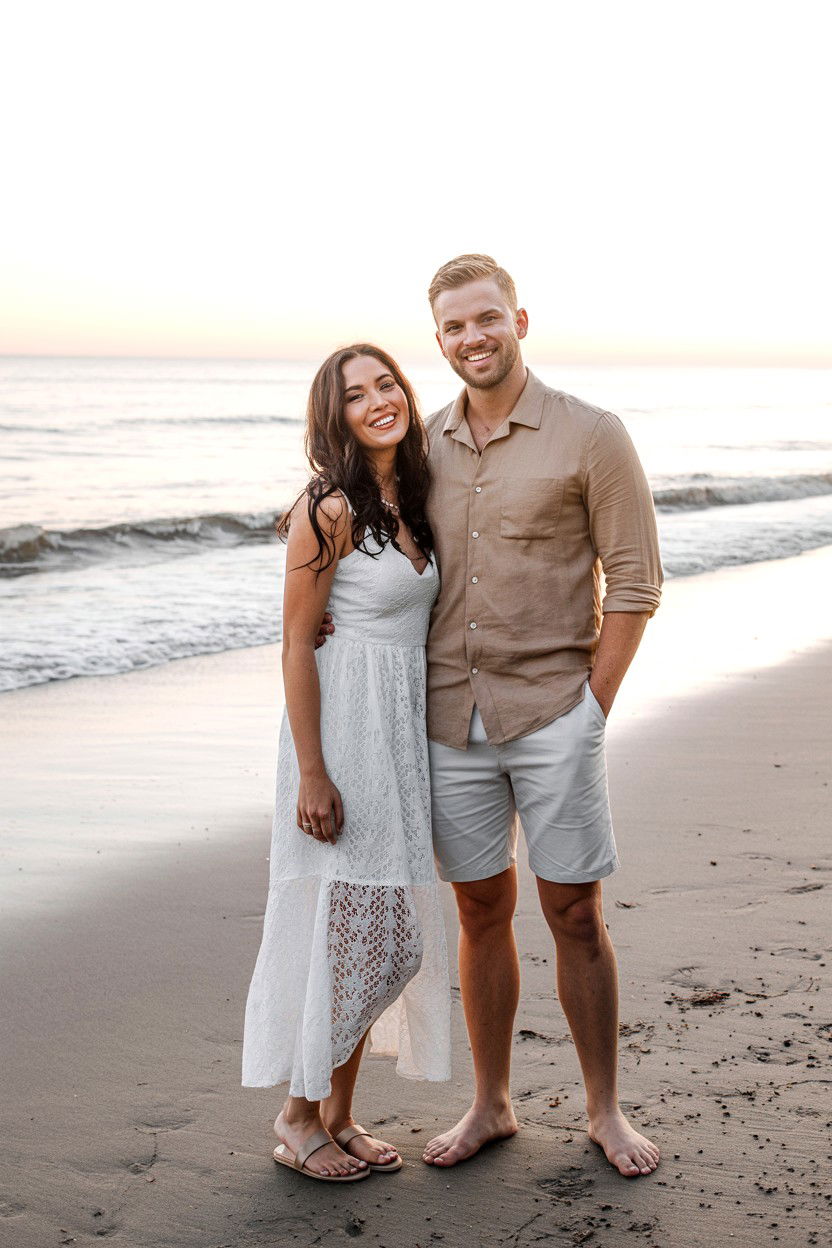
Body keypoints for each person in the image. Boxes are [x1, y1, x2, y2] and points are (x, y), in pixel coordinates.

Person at [319, 255, 663, 1178]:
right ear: (439, 341)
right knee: (479, 911)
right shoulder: (421, 444)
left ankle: (603, 1111)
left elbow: (636, 583)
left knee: (575, 914)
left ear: (519, 318)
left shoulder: (593, 435)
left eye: (486, 319)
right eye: (453, 328)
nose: (472, 338)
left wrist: (592, 710)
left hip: (555, 711)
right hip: (446, 721)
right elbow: (363, 550)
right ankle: (492, 1103)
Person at [242, 344, 451, 1182]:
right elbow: (296, 641)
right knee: (363, 934)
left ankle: (338, 1112)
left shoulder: (417, 498)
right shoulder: (326, 507)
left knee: (382, 936)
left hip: (397, 733)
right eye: (357, 394)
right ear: (336, 415)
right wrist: (315, 771)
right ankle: (297, 1118)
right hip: (342, 736)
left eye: (388, 383)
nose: (378, 401)